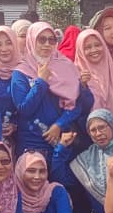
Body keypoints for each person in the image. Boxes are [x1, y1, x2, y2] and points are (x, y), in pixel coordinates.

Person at [11, 21, 85, 160]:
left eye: (51, 40)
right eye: (41, 39)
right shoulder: (21, 71)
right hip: (32, 142)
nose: (47, 44)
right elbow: (24, 109)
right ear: (32, 40)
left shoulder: (66, 66)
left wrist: (59, 125)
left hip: (62, 139)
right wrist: (41, 82)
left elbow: (76, 104)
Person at [74, 27, 113, 117]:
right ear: (80, 50)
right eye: (87, 47)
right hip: (87, 125)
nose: (94, 50)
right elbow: (77, 109)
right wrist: (83, 87)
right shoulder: (75, 73)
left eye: (97, 45)